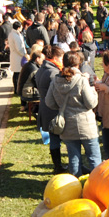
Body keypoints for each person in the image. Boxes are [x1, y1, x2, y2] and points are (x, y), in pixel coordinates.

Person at [46, 52, 101, 177]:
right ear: (78, 64)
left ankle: (74, 188)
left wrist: (61, 108)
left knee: (74, 159)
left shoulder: (55, 81)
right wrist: (92, 88)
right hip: (86, 125)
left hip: (67, 125)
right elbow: (91, 103)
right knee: (94, 158)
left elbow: (49, 102)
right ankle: (97, 186)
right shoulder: (82, 80)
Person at [36, 45, 66, 173]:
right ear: (55, 57)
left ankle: (57, 165)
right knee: (59, 138)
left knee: (54, 138)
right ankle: (59, 165)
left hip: (45, 107)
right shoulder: (53, 72)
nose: (62, 61)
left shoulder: (42, 69)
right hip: (53, 109)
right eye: (61, 58)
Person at [8, 20, 29, 95]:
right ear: (19, 27)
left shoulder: (12, 34)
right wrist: (25, 54)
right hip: (18, 57)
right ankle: (17, 89)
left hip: (15, 56)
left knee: (16, 73)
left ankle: (16, 89)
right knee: (18, 74)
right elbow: (19, 48)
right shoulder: (16, 36)